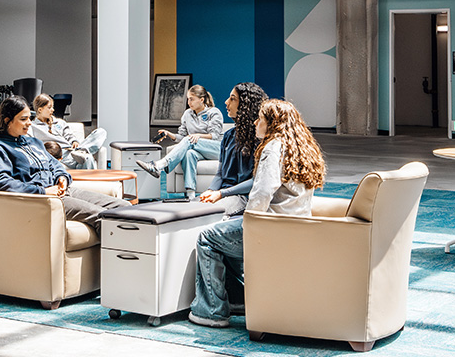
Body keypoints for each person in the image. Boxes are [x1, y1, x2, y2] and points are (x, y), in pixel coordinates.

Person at [188, 98, 326, 328]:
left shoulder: (273, 148)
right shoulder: (301, 149)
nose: (255, 123)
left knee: (208, 238)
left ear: (272, 124)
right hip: (295, 228)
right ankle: (238, 300)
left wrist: (249, 224)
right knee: (227, 230)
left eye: (260, 119)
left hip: (270, 230)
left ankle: (212, 311)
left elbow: (262, 193)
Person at [0, 95, 128, 232]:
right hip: (43, 199)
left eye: (29, 118)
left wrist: (62, 177)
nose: (29, 123)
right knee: (103, 216)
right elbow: (0, 181)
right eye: (23, 119)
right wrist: (43, 191)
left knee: (124, 207)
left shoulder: (33, 142)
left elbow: (55, 164)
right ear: (7, 120)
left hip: (62, 190)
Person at [135, 85, 224, 199]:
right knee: (189, 154)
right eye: (188, 99)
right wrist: (169, 134)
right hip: (197, 148)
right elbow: (182, 138)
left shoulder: (214, 112)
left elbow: (214, 136)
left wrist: (197, 136)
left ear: (201, 100)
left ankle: (160, 165)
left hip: (216, 149)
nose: (188, 102)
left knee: (189, 139)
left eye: (191, 99)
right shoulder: (187, 114)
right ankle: (190, 194)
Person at [197, 82, 268, 217]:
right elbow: (220, 173)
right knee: (192, 208)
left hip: (243, 197)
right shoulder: (228, 136)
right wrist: (211, 190)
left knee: (204, 214)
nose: (226, 102)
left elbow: (257, 181)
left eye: (232, 98)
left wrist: (221, 193)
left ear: (245, 104)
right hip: (223, 194)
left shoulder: (260, 139)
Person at [29, 94, 108, 169]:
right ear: (40, 110)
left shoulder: (60, 122)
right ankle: (81, 153)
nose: (52, 110)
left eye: (52, 107)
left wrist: (74, 141)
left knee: (101, 132)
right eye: (49, 107)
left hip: (71, 151)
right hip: (58, 154)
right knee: (88, 158)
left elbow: (69, 135)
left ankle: (81, 150)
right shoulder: (32, 126)